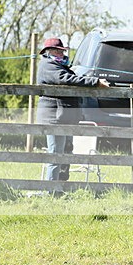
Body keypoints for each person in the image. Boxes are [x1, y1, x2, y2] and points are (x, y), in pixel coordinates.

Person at [36, 37, 109, 181]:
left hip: (63, 117)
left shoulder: (57, 65)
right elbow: (66, 79)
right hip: (55, 118)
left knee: (66, 150)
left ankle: (62, 185)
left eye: (62, 51)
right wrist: (95, 82)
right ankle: (51, 189)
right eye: (58, 51)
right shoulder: (48, 65)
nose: (62, 54)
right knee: (56, 153)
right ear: (49, 51)